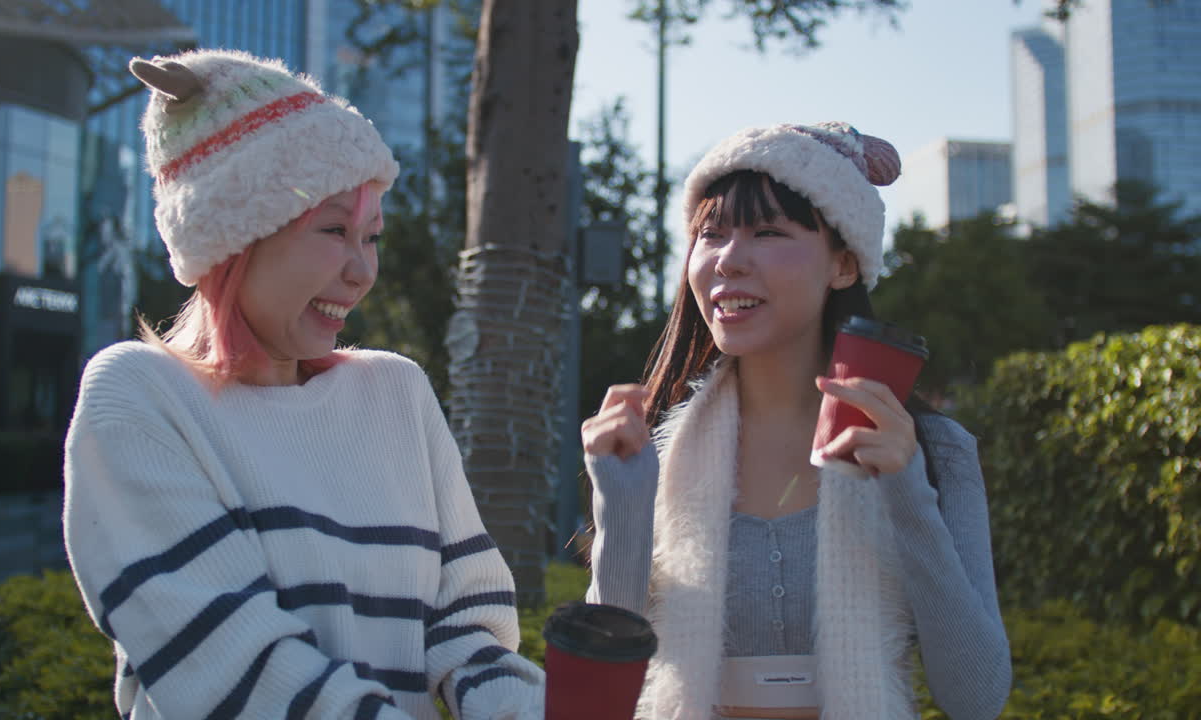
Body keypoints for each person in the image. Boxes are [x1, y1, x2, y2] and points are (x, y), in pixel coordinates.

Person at [63, 50, 543, 720]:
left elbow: (467, 625)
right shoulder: (140, 397)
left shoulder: (397, 394)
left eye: (370, 237)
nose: (362, 271)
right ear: (236, 239)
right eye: (333, 232)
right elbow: (239, 673)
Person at [580, 122, 1011, 720]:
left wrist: (908, 491)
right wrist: (620, 498)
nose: (729, 260)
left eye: (768, 232)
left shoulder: (933, 450)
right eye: (711, 235)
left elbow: (977, 698)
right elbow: (609, 679)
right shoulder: (654, 446)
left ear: (843, 264)